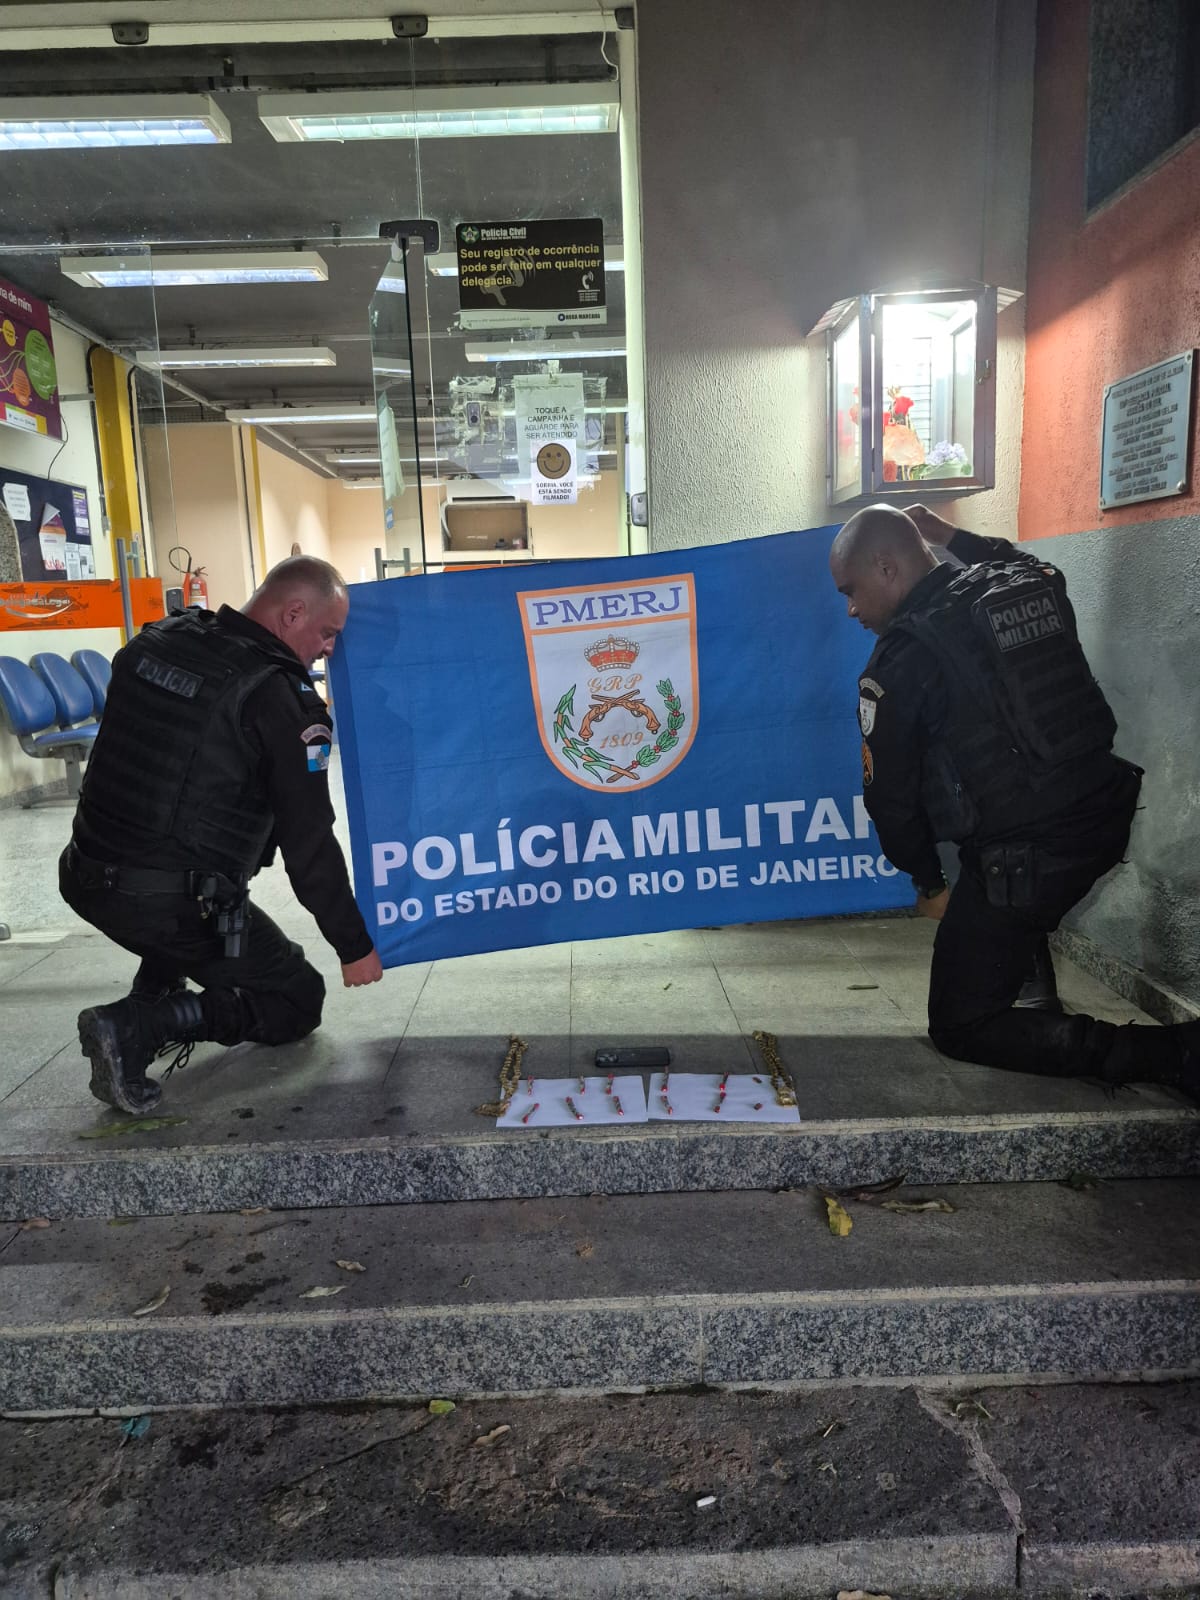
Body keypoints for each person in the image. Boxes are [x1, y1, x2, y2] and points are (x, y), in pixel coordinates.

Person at [828, 502, 1198, 1095]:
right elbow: (1021, 560)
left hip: (1029, 855)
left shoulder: (903, 658)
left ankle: (1173, 1055)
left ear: (886, 568)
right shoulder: (1023, 585)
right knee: (998, 899)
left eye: (851, 590)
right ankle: (1017, 954)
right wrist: (951, 535)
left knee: (962, 1023)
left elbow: (890, 801)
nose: (851, 609)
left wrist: (928, 883)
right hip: (1103, 811)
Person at [60, 555, 383, 1116]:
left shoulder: (160, 639)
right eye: (327, 633)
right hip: (165, 901)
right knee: (296, 998)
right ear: (293, 613)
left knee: (189, 892)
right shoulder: (278, 698)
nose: (330, 648)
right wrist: (353, 947)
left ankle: (155, 991)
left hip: (84, 875)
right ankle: (136, 1026)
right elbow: (309, 844)